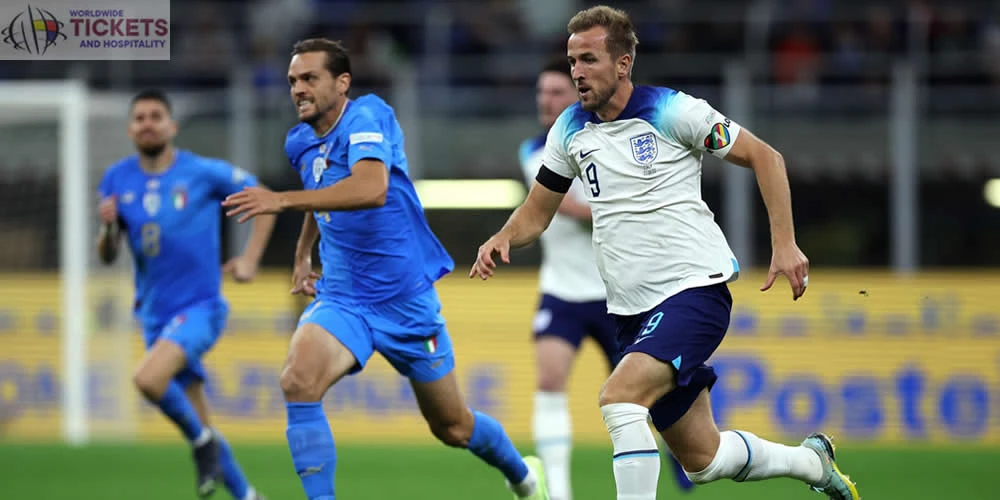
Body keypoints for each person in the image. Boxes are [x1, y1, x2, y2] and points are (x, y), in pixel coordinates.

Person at [471, 6, 860, 500]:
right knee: (703, 459)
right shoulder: (569, 129)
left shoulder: (673, 111)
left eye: (589, 59)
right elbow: (537, 212)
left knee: (618, 398)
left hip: (692, 291)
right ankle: (811, 462)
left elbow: (766, 157)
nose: (576, 73)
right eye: (572, 61)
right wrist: (503, 236)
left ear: (623, 64)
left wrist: (784, 243)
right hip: (631, 312)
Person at [220, 38, 550, 500]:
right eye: (293, 80)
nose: (298, 88)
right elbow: (325, 193)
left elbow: (370, 187)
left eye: (310, 78)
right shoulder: (299, 141)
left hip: (405, 302)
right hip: (342, 298)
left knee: (453, 427)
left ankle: (525, 478)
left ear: (342, 82)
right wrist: (302, 253)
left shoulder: (368, 117)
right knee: (297, 379)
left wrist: (280, 201)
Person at [520, 58, 694, 500]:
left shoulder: (612, 137)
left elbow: (590, 206)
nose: (547, 101)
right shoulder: (536, 151)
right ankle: (557, 491)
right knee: (549, 379)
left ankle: (680, 448)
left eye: (556, 93)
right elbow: (574, 210)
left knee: (645, 394)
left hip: (616, 294)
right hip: (561, 290)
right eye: (542, 93)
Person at [97, 89, 275, 500]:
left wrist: (249, 259)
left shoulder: (203, 172)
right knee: (198, 416)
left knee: (147, 379)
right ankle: (248, 495)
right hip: (155, 316)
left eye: (156, 116)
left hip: (201, 308)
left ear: (172, 126)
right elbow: (107, 256)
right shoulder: (117, 179)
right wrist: (107, 229)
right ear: (130, 129)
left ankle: (202, 445)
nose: (147, 123)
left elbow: (264, 197)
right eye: (139, 117)